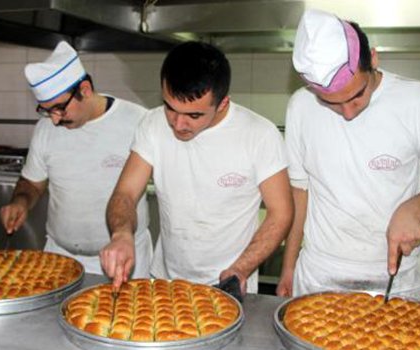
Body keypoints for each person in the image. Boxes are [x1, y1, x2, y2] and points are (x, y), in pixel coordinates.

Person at [276, 9, 420, 300]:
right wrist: (288, 266)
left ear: (373, 59)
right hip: (319, 274)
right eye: (332, 104)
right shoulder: (301, 106)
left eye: (356, 96)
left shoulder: (416, 100)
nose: (348, 113)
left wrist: (416, 207)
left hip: (394, 277)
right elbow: (300, 192)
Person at [100, 41, 294, 295]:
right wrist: (122, 234)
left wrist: (241, 269)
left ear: (223, 103)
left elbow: (281, 212)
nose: (178, 124)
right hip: (164, 281)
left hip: (228, 283)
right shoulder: (152, 125)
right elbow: (125, 193)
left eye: (194, 116)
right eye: (170, 107)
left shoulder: (260, 135)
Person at [0, 41, 153, 277]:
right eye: (46, 110)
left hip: (125, 259)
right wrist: (21, 201)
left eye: (60, 108)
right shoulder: (45, 129)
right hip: (60, 260)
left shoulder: (138, 121)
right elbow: (32, 183)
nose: (55, 120)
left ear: (86, 89)